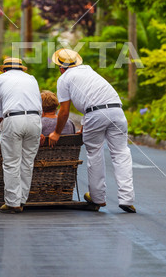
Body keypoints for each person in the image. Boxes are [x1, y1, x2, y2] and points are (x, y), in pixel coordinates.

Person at [48, 48, 136, 213]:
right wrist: (85, 124)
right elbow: (95, 97)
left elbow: (64, 111)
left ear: (61, 68)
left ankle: (97, 198)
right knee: (121, 153)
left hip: (95, 115)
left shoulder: (64, 78)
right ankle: (127, 199)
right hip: (117, 111)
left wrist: (56, 133)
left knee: (95, 153)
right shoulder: (89, 70)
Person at [0, 57, 42, 214]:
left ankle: (13, 202)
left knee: (12, 162)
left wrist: (2, 125)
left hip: (13, 118)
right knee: (28, 162)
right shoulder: (31, 79)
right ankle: (22, 200)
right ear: (21, 69)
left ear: (5, 69)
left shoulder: (1, 78)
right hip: (35, 119)